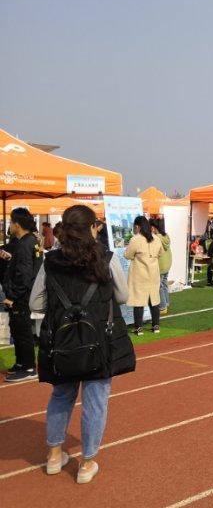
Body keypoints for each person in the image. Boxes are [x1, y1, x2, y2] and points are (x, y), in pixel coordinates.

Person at [29, 204, 135, 484]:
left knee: (61, 395)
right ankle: (86, 463)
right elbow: (123, 296)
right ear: (91, 228)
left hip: (61, 340)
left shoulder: (50, 261)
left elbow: (35, 303)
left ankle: (54, 456)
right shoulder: (106, 258)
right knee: (95, 401)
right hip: (98, 340)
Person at [2, 208, 42, 383]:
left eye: (11, 223)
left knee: (22, 330)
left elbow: (24, 275)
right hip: (24, 294)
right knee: (17, 329)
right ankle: (21, 362)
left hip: (22, 296)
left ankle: (28, 367)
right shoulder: (30, 241)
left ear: (17, 225)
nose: (10, 226)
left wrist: (13, 296)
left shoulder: (26, 243)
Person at [124, 216, 163, 335]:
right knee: (154, 300)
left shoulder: (135, 239)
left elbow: (128, 255)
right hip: (153, 273)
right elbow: (161, 253)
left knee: (138, 301)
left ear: (137, 227)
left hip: (140, 273)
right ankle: (156, 326)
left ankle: (138, 328)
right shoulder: (156, 238)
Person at [150, 219, 172, 315]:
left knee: (159, 286)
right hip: (167, 262)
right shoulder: (165, 235)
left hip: (160, 264)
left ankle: (162, 307)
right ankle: (166, 303)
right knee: (164, 284)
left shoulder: (155, 237)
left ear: (153, 228)